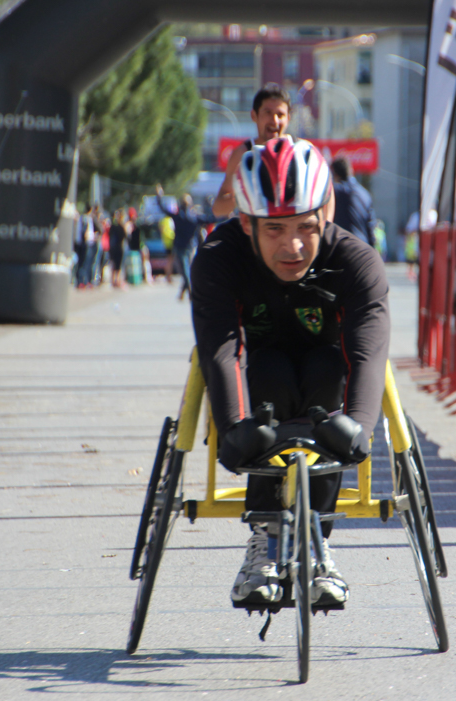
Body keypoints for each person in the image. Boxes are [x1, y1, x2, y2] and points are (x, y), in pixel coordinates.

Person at [190, 138, 390, 608]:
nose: (293, 246)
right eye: (275, 230)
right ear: (246, 222)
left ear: (326, 214)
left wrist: (359, 427)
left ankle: (318, 542)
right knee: (272, 374)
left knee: (325, 372)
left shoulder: (356, 262)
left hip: (327, 370)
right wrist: (234, 429)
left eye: (306, 227)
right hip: (259, 370)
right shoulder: (219, 258)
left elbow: (367, 353)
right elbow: (220, 350)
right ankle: (264, 540)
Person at [212, 85, 293, 218]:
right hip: (253, 234)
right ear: (254, 115)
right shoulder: (242, 155)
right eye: (268, 113)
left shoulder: (299, 150)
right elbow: (218, 208)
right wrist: (246, 193)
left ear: (288, 118)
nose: (274, 121)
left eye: (280, 114)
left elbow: (326, 196)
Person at [157, 185, 216, 300]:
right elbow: (211, 219)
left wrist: (159, 196)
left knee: (185, 271)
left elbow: (163, 208)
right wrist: (226, 213)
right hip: (190, 247)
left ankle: (190, 293)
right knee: (186, 270)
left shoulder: (178, 216)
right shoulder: (194, 217)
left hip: (180, 247)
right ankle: (185, 293)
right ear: (190, 204)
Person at [330, 156, 377, 247]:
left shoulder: (334, 192)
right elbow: (371, 227)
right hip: (363, 247)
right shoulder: (365, 194)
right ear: (350, 171)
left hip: (342, 247)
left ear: (335, 174)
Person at [108, 209, 128, 289]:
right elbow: (125, 236)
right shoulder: (121, 227)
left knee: (114, 264)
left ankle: (113, 280)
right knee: (118, 265)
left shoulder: (113, 226)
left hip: (113, 247)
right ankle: (117, 280)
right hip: (119, 247)